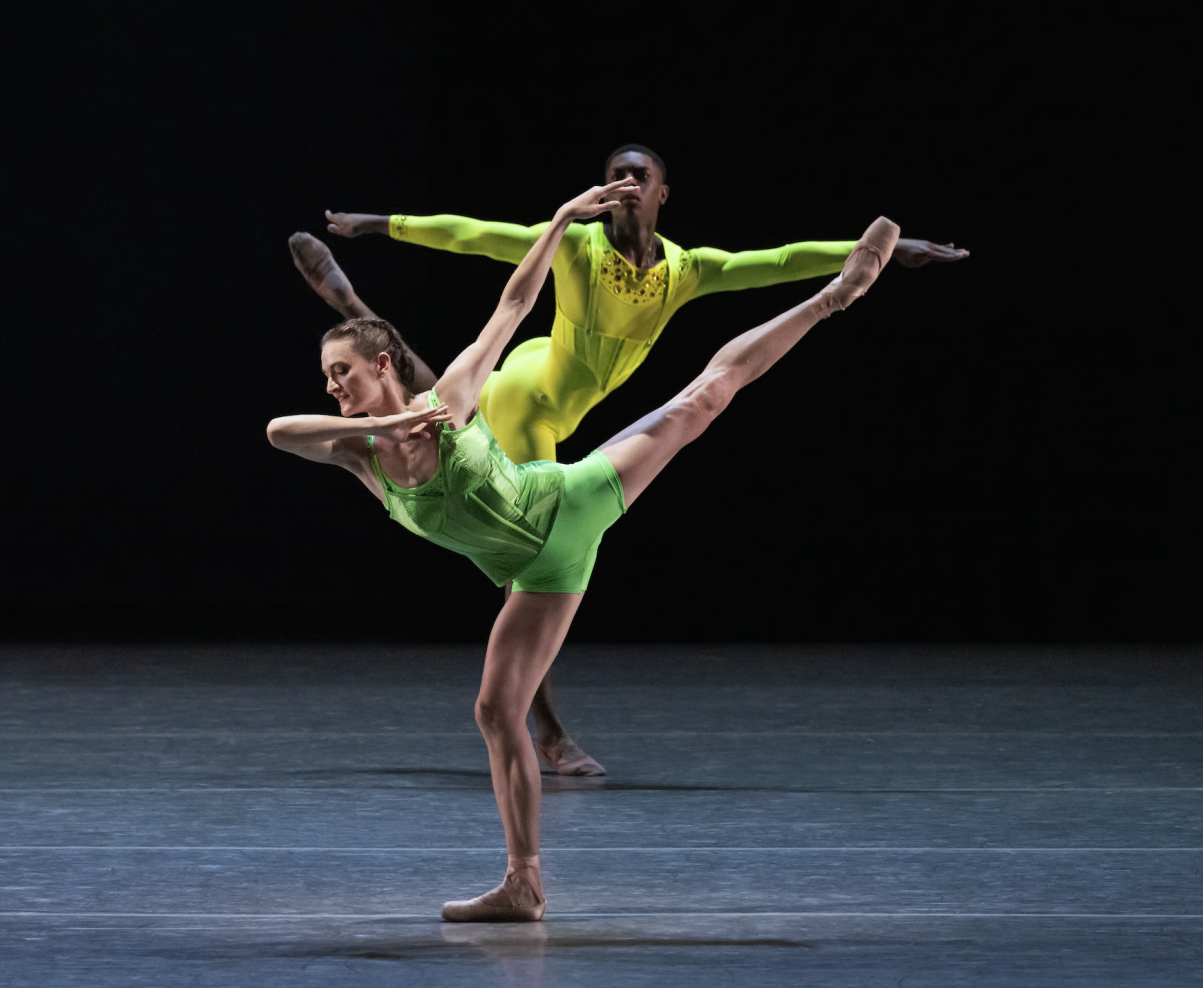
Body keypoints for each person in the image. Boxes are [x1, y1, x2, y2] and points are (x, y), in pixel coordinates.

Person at [268, 177, 902, 921]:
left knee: (702, 398)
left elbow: (514, 304)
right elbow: (280, 432)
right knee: (496, 712)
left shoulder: (454, 398)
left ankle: (835, 296)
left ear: (383, 366)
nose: (331, 387)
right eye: (326, 377)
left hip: (570, 501)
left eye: (341, 372)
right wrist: (378, 429)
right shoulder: (361, 455)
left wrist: (564, 218)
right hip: (541, 573)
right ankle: (525, 884)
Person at [288, 146, 965, 778]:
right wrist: (380, 223)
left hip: (549, 396)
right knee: (507, 536)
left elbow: (780, 259)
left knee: (436, 416)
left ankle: (355, 311)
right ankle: (548, 731)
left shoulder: (686, 270)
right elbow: (478, 237)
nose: (628, 182)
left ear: (663, 192)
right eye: (617, 173)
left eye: (641, 174)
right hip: (528, 403)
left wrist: (879, 249)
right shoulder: (578, 245)